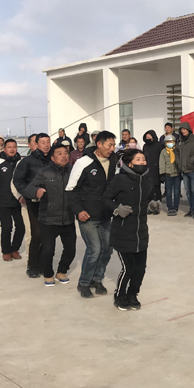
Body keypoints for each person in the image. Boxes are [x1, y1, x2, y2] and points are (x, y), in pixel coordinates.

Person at [102, 148, 159, 310]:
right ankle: (120, 296)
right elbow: (105, 199)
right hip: (123, 231)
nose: (142, 162)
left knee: (140, 269)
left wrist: (152, 204)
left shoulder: (148, 178)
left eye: (143, 159)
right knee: (129, 268)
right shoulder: (120, 179)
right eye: (138, 159)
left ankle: (133, 295)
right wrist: (117, 209)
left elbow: (149, 197)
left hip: (141, 231)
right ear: (129, 163)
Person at [66, 130, 119, 299]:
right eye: (110, 145)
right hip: (87, 215)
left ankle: (97, 279)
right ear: (99, 144)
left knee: (107, 249)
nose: (112, 148)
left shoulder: (114, 161)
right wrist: (79, 210)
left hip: (105, 214)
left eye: (114, 145)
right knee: (94, 249)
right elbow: (71, 189)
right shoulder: (84, 162)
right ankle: (84, 283)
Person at [29, 144, 76, 287]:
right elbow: (31, 187)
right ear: (52, 158)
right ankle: (48, 274)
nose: (64, 156)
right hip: (49, 218)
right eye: (59, 153)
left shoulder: (73, 171)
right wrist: (35, 192)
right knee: (48, 250)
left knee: (71, 249)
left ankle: (62, 271)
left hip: (68, 218)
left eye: (66, 153)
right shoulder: (44, 172)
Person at [13, 132, 52, 278]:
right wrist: (30, 193)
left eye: (48, 142)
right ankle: (32, 265)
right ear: (36, 144)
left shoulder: (53, 159)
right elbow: (18, 181)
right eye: (43, 142)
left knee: (48, 235)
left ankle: (42, 263)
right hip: (34, 202)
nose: (46, 145)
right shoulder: (27, 161)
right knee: (36, 234)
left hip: (51, 202)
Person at [178, 121, 194, 219]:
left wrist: (192, 159)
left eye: (185, 129)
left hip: (193, 169)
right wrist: (178, 163)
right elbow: (176, 153)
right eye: (182, 129)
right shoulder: (179, 140)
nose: (183, 131)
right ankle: (191, 209)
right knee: (188, 191)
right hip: (184, 170)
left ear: (188, 130)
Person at [160, 134, 182, 216]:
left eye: (171, 142)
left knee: (176, 192)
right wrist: (162, 173)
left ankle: (175, 207)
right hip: (168, 175)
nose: (169, 143)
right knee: (168, 193)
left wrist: (181, 171)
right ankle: (170, 207)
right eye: (167, 142)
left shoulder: (177, 150)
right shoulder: (163, 152)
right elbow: (162, 163)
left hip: (176, 174)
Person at [142, 130, 164, 203]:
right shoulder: (145, 146)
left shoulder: (159, 145)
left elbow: (162, 157)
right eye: (147, 137)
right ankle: (150, 204)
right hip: (147, 169)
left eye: (149, 136)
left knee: (156, 188)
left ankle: (158, 203)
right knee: (148, 188)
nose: (148, 138)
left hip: (157, 169)